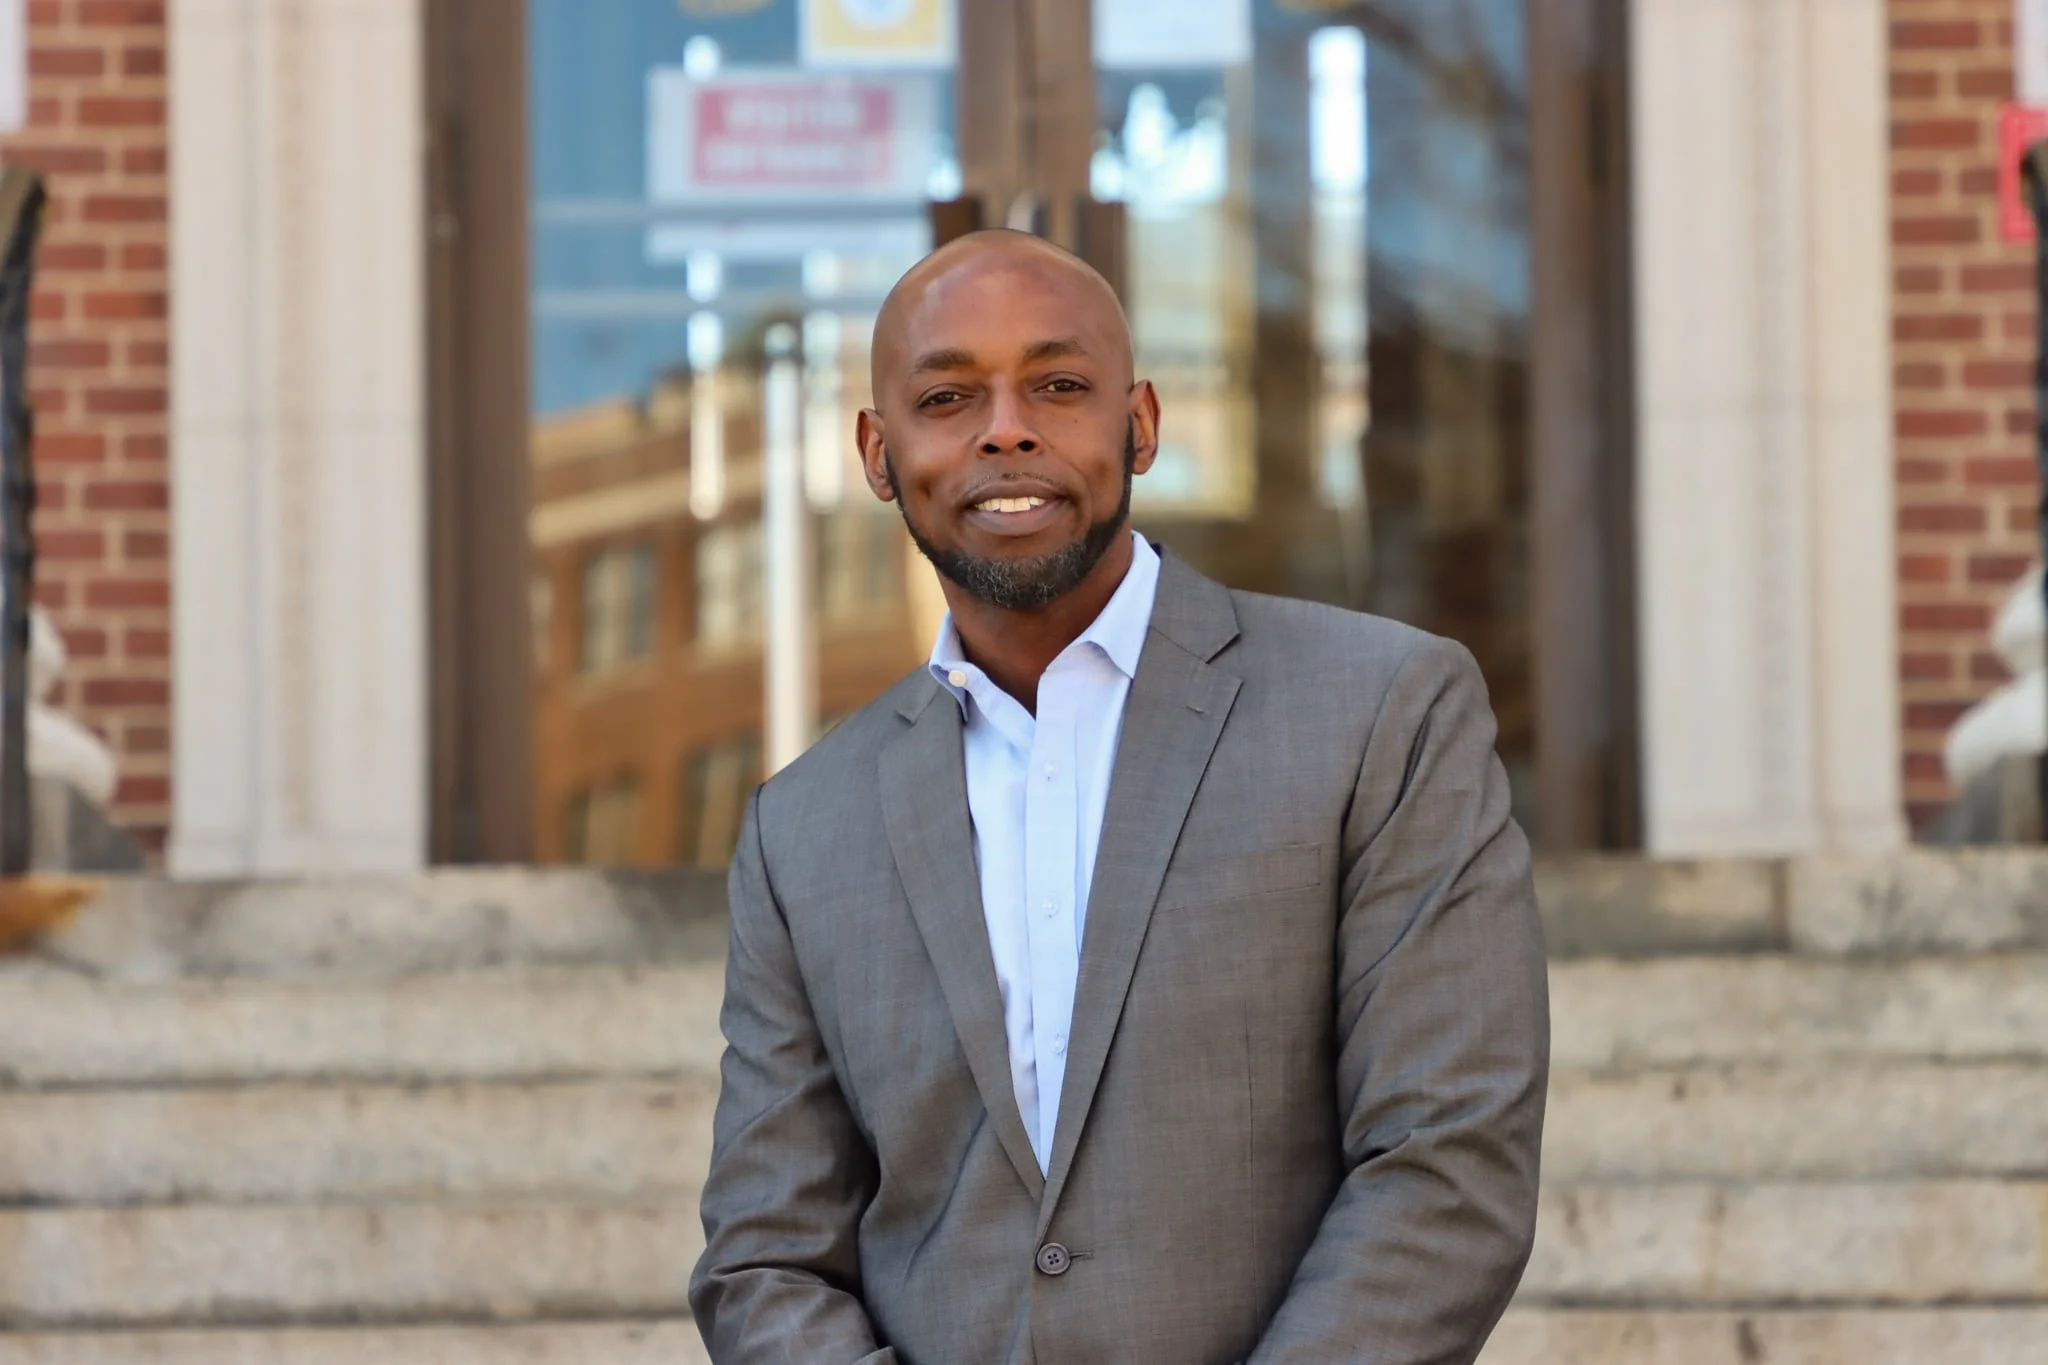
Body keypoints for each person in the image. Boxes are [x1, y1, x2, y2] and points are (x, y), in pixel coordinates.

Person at [690, 229, 1549, 1364]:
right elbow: (765, 1256)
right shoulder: (803, 828)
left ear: (1139, 423)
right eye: (947, 397)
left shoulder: (1381, 711)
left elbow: (1448, 1157)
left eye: (1057, 385)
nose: (1006, 426)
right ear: (876, 452)